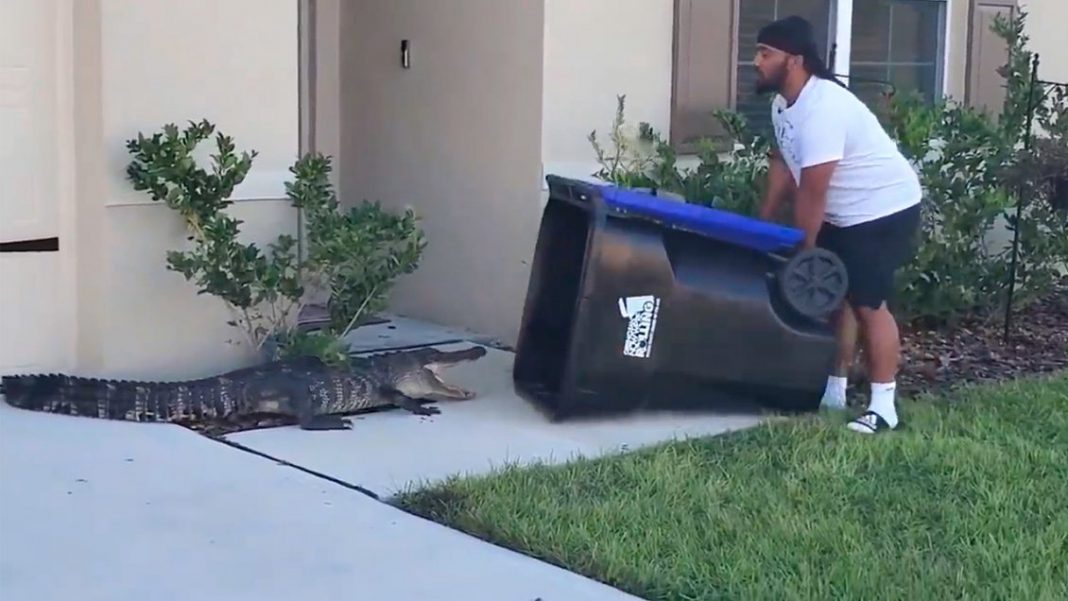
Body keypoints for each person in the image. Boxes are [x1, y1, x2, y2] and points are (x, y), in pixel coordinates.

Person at [752, 16, 922, 434]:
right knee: (836, 297)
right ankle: (834, 390)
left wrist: (805, 251)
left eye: (764, 53)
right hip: (842, 210)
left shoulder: (824, 108)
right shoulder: (783, 104)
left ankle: (884, 409)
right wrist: (760, 228)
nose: (755, 61)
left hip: (882, 209)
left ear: (793, 60)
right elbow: (782, 165)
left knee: (868, 303)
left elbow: (812, 191)